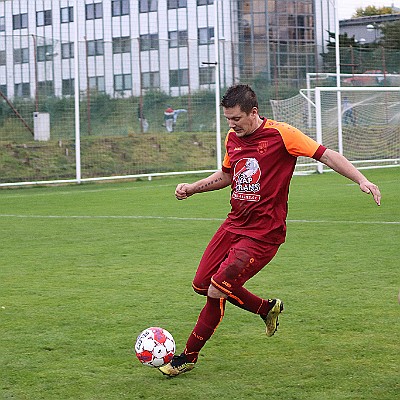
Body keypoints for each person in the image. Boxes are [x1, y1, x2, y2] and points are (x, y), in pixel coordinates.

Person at [159, 84, 381, 377]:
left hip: (263, 234)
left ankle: (187, 357)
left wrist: (361, 180)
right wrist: (192, 188)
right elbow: (227, 175)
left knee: (216, 290)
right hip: (234, 224)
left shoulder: (282, 134)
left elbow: (326, 155)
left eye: (236, 118)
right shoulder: (232, 138)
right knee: (201, 284)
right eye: (227, 119)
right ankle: (266, 309)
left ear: (253, 112)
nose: (231, 125)